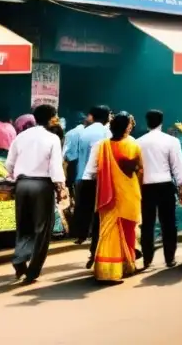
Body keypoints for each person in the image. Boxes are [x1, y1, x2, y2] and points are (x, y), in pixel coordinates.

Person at [5, 104, 66, 284]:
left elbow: (9, 164)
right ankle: (33, 271)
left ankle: (19, 258)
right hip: (42, 185)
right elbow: (55, 167)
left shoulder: (21, 136)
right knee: (42, 228)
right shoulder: (53, 138)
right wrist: (60, 187)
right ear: (51, 118)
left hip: (22, 184)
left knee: (23, 225)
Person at [86, 112, 143, 283]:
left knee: (107, 232)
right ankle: (126, 265)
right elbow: (139, 169)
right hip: (128, 194)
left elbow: (95, 170)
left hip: (107, 196)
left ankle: (106, 269)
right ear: (127, 127)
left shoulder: (102, 146)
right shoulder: (133, 145)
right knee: (127, 230)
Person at [136, 109, 182, 269]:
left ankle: (147, 259)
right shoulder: (171, 141)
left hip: (146, 186)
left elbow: (137, 168)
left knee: (147, 224)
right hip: (165, 184)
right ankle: (169, 258)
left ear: (147, 122)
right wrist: (181, 186)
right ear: (162, 122)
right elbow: (178, 167)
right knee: (169, 223)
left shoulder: (139, 142)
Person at [73, 106, 112, 264]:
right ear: (107, 116)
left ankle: (82, 235)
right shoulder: (106, 133)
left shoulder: (81, 132)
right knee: (99, 217)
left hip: (82, 178)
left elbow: (72, 155)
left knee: (85, 211)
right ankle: (95, 250)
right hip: (100, 180)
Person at [62, 111, 90, 197]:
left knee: (73, 193)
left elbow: (64, 155)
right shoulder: (90, 133)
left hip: (72, 167)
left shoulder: (69, 133)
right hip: (87, 167)